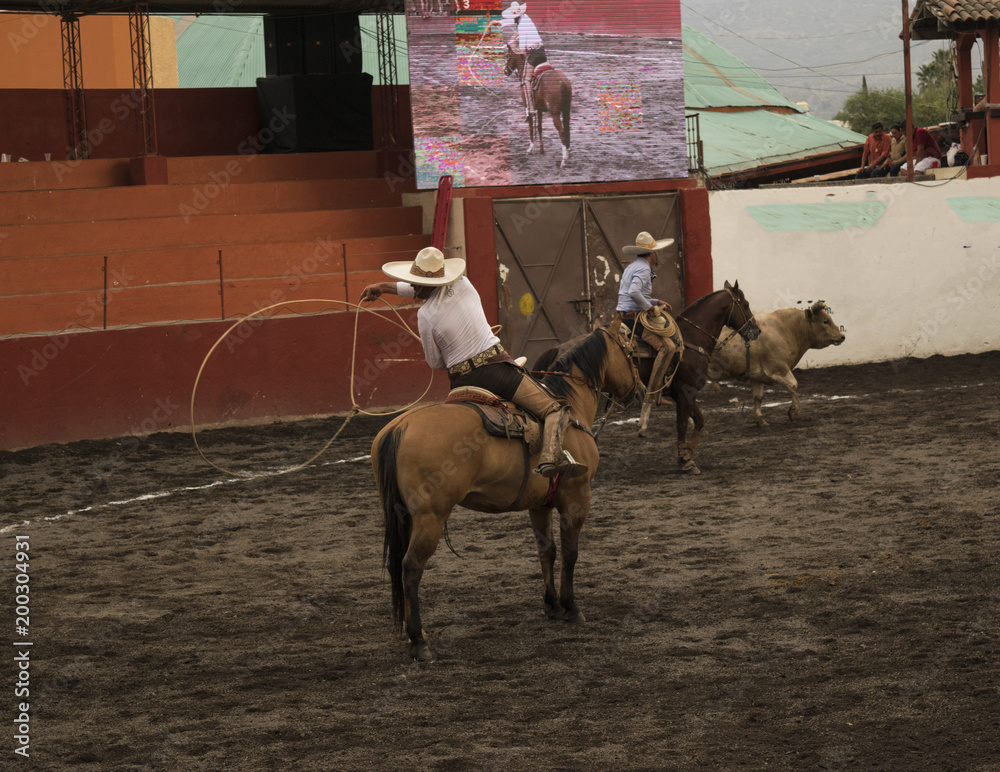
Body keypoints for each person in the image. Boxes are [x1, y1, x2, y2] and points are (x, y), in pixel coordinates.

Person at [360, 246, 586, 478]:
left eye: (417, 282)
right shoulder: (464, 284)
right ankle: (550, 458)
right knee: (554, 408)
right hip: (496, 372)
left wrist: (383, 287)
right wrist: (385, 287)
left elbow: (436, 363)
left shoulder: (425, 316)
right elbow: (425, 288)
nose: (414, 287)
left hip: (461, 382)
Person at [616, 232, 680, 434]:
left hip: (625, 314)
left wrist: (656, 301)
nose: (658, 255)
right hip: (634, 318)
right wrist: (651, 308)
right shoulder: (644, 269)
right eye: (656, 252)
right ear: (652, 253)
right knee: (668, 346)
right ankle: (652, 393)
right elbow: (634, 293)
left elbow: (634, 294)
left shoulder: (632, 266)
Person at [502, 1, 547, 114]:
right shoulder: (526, 17)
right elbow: (511, 21)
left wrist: (514, 45)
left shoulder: (521, 26)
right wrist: (498, 23)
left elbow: (522, 48)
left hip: (533, 54)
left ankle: (531, 109)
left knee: (525, 80)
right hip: (541, 51)